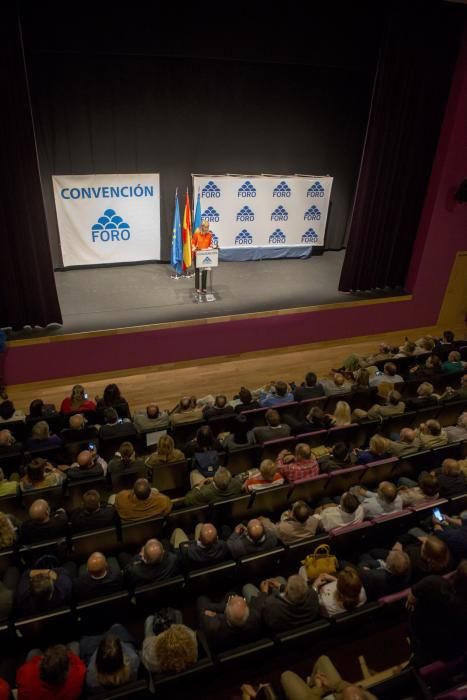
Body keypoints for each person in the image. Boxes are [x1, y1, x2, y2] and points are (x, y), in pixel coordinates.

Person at [243, 574, 319, 633]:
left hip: (278, 628)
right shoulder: (313, 596)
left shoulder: (272, 604)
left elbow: (260, 610)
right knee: (280, 579)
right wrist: (280, 586)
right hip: (297, 626)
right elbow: (299, 592)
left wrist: (264, 592)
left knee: (248, 587)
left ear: (286, 592)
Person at [281, 655, 377, 700]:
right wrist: (332, 686)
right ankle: (313, 683)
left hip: (312, 697)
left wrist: (319, 688)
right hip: (336, 693)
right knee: (323, 660)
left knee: (287, 675)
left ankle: (312, 685)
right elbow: (352, 689)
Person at [80, 625, 140, 693]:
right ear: (123, 658)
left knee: (84, 641)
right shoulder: (134, 661)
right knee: (117, 627)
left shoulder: (91, 678)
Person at [16, 644, 86, 700]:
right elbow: (79, 664)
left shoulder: (25, 675)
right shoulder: (78, 676)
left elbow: (32, 663)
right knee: (74, 644)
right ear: (65, 673)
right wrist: (66, 654)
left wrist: (47, 659)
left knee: (34, 651)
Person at [197, 593, 261, 652]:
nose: (236, 596)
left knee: (201, 599)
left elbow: (204, 609)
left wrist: (216, 614)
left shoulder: (213, 626)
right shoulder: (255, 618)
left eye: (244, 599)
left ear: (225, 613)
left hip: (220, 649)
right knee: (231, 594)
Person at [192, 218, 215, 293]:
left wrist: (211, 246)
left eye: (208, 227)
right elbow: (192, 243)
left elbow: (210, 244)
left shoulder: (209, 235)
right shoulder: (196, 234)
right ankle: (197, 288)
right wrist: (194, 247)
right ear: (202, 227)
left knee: (205, 271)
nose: (207, 229)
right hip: (198, 255)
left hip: (205, 255)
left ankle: (204, 288)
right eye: (206, 227)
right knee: (198, 272)